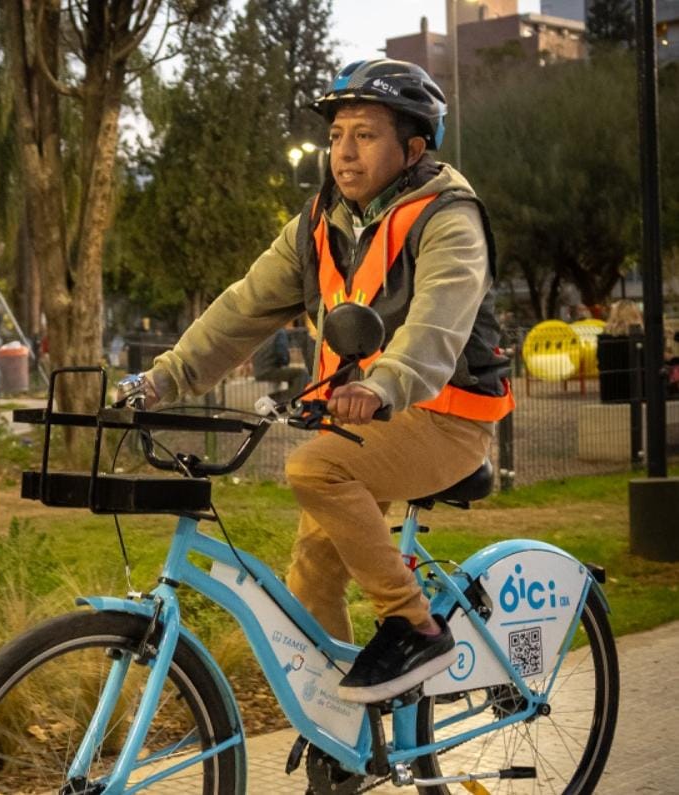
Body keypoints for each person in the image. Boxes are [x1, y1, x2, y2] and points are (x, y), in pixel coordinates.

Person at [130, 59, 514, 707]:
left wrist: (385, 383)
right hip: (363, 421)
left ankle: (414, 624)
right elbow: (240, 309)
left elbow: (437, 323)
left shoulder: (449, 218)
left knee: (313, 469)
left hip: (446, 418)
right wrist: (160, 379)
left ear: (413, 147)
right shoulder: (318, 224)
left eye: (364, 134)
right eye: (337, 135)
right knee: (308, 582)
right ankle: (343, 739)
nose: (343, 152)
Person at [252, 328, 310, 402]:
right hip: (268, 370)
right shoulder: (280, 333)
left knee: (292, 375)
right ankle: (291, 399)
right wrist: (285, 362)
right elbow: (282, 353)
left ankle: (285, 398)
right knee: (301, 374)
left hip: (258, 371)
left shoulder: (266, 334)